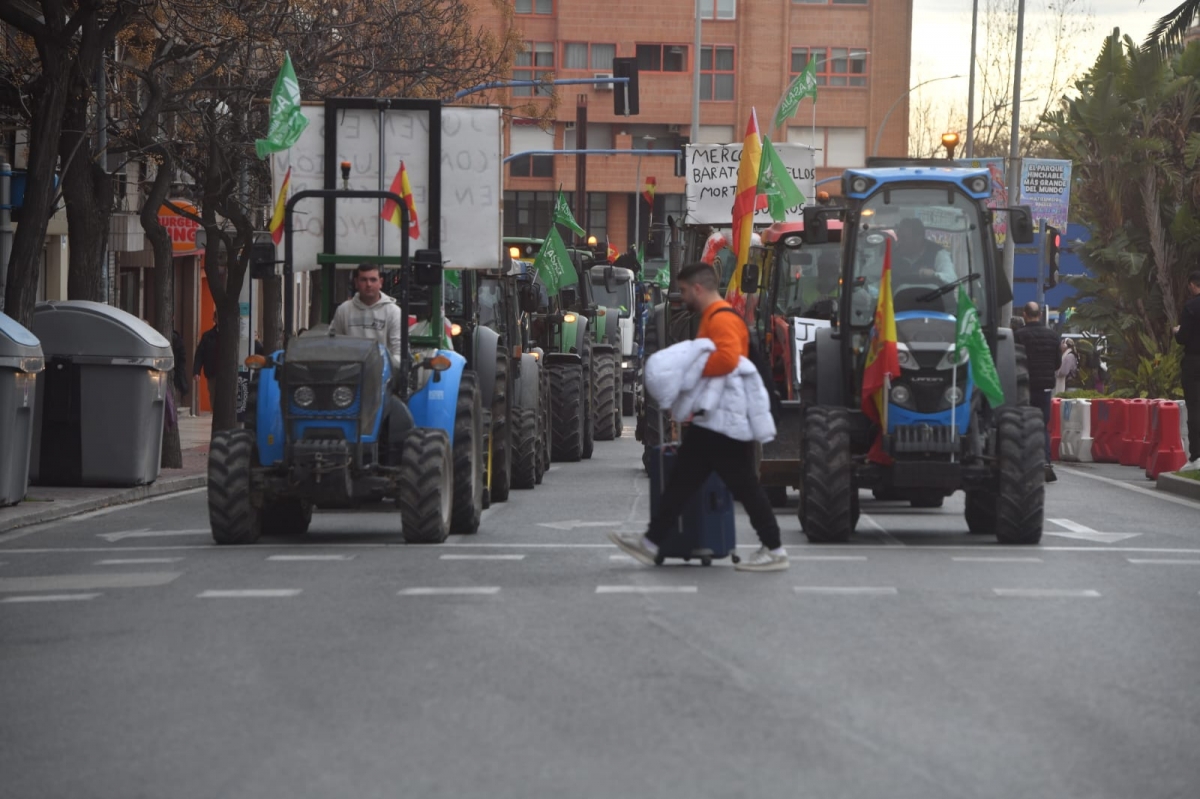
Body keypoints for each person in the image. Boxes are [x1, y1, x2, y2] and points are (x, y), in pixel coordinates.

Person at [609, 262, 788, 572]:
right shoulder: (714, 317)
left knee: (738, 484)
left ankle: (774, 549)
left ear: (698, 288)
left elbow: (728, 359)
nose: (681, 297)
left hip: (724, 420)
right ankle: (651, 543)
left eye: (683, 290)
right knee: (686, 480)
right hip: (718, 419)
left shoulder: (720, 319)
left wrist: (688, 375)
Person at [1013, 301, 1062, 482]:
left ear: (1025, 315)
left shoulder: (1019, 336)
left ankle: (1025, 464)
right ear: (1039, 315)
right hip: (1045, 387)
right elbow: (1057, 363)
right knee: (1042, 425)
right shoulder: (1052, 336)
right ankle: (1045, 462)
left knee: (1023, 425)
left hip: (1024, 387)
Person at [331, 263, 406, 367]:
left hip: (382, 375)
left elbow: (399, 352)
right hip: (349, 376)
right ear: (356, 283)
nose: (368, 284)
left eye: (373, 280)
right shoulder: (343, 310)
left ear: (381, 282)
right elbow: (334, 346)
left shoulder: (394, 312)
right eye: (363, 280)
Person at [1173, 270, 1200, 469]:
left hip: (1194, 361)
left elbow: (1183, 338)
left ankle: (1196, 456)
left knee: (1194, 407)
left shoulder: (1191, 307)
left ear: (1192, 285)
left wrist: (1177, 331)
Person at [892, 217, 957, 285]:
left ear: (918, 239)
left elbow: (952, 279)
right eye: (898, 237)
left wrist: (933, 275)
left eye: (903, 238)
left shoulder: (938, 253)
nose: (898, 242)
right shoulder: (892, 255)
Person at [194, 312, 221, 412]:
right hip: (212, 372)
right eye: (218, 318)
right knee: (213, 395)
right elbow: (200, 354)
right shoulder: (207, 336)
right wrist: (196, 371)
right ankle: (215, 414)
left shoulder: (230, 336)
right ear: (214, 319)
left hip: (226, 374)